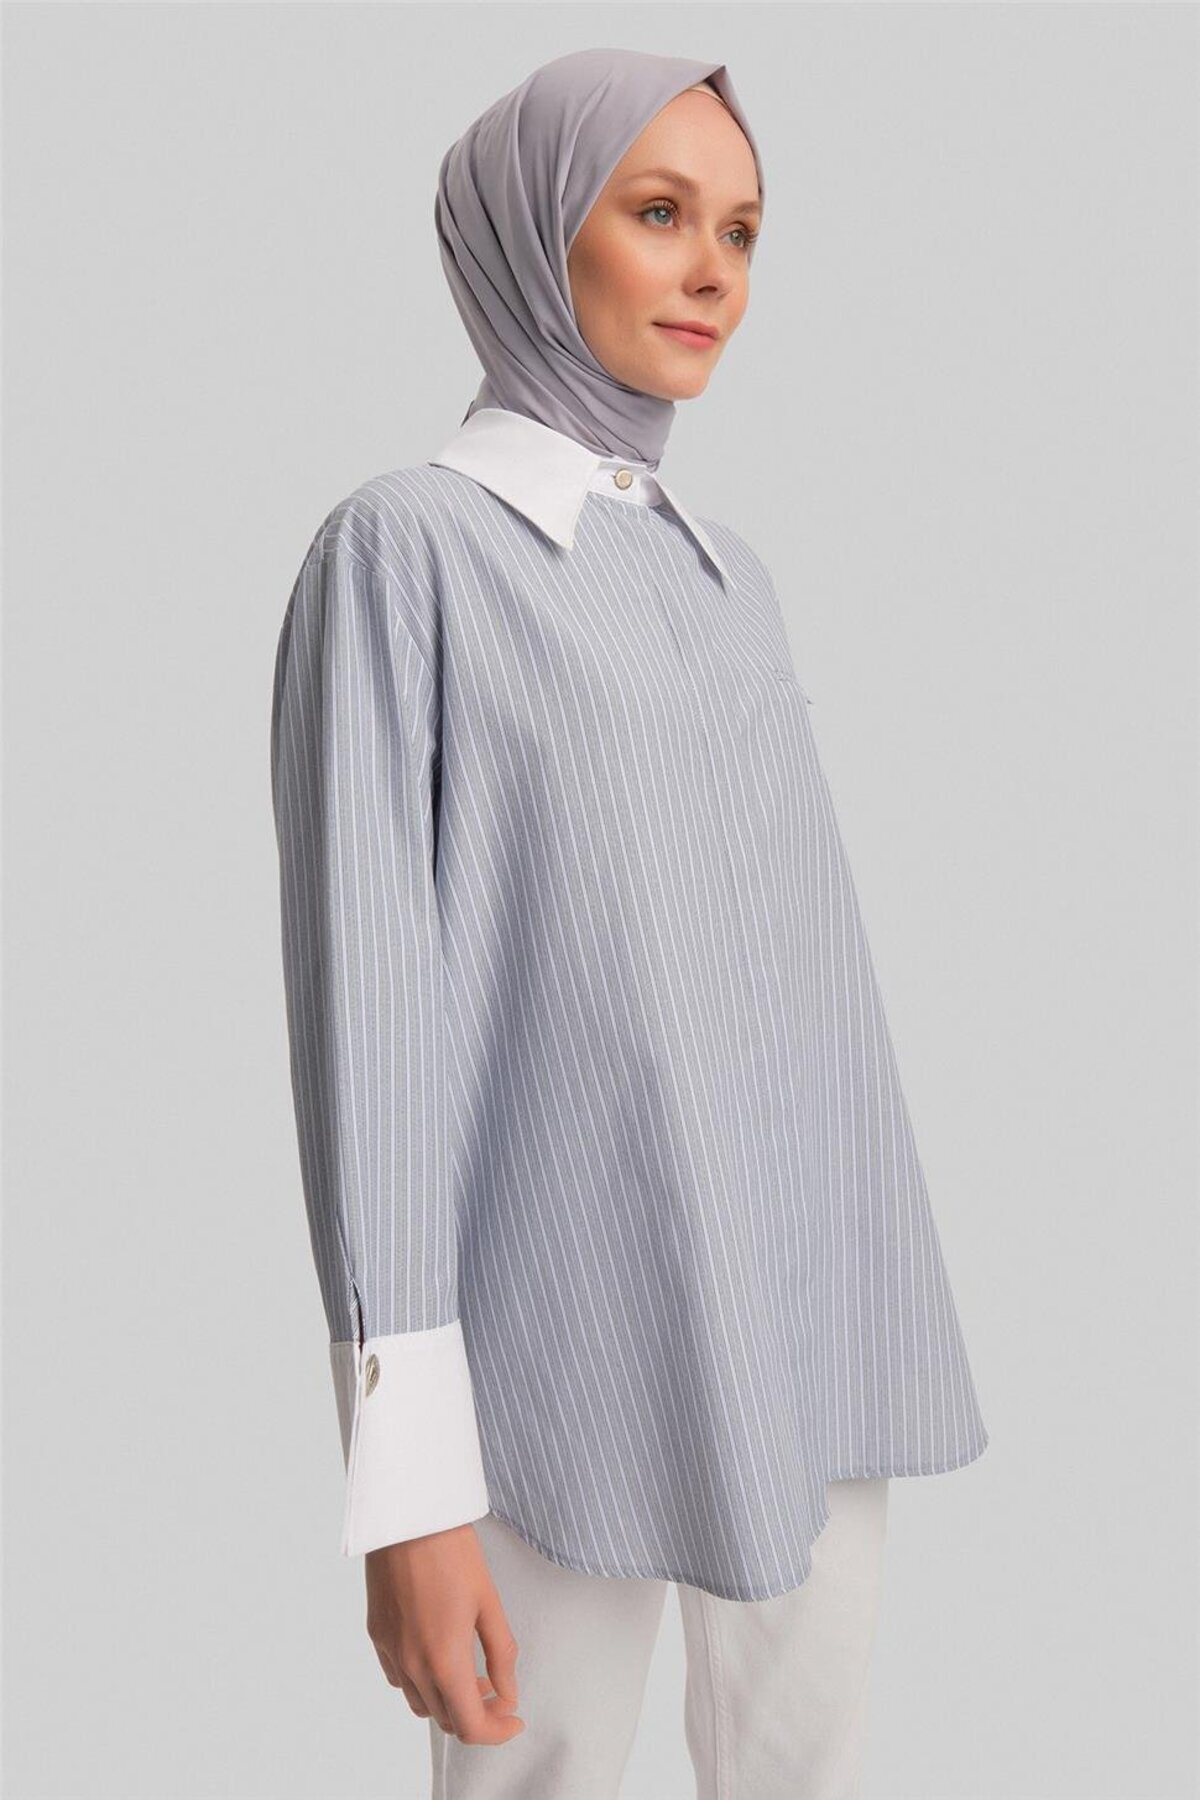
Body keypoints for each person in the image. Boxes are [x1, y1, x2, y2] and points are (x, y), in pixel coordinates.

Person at [270, 46, 990, 1799]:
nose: (712, 270)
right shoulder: (406, 554)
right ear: (534, 234)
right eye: (660, 213)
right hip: (555, 1332)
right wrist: (407, 1486)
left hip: (817, 1303)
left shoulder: (726, 574)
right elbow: (371, 1028)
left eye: (741, 230)